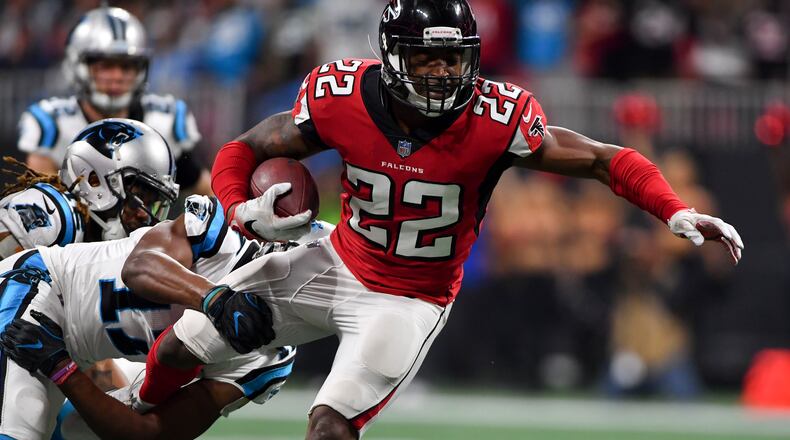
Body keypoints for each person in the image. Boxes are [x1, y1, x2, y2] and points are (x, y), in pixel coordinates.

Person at [143, 1, 744, 438]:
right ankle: (135, 418)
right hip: (335, 260)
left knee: (329, 427)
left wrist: (674, 208)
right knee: (178, 347)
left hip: (409, 299)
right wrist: (237, 209)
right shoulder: (343, 95)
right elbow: (243, 149)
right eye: (425, 58)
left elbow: (601, 159)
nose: (440, 73)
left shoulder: (495, 117)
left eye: (452, 59)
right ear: (391, 56)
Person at [0, 179, 331, 439]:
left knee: (81, 431)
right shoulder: (221, 238)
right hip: (41, 287)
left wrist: (64, 370)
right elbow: (139, 268)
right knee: (19, 429)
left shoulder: (269, 359)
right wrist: (214, 299)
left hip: (74, 352)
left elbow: (151, 433)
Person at [16, 6, 211, 196]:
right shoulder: (54, 126)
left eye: (126, 67)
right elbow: (44, 204)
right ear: (78, 66)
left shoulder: (163, 121)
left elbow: (208, 192)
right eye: (105, 66)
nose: (117, 76)